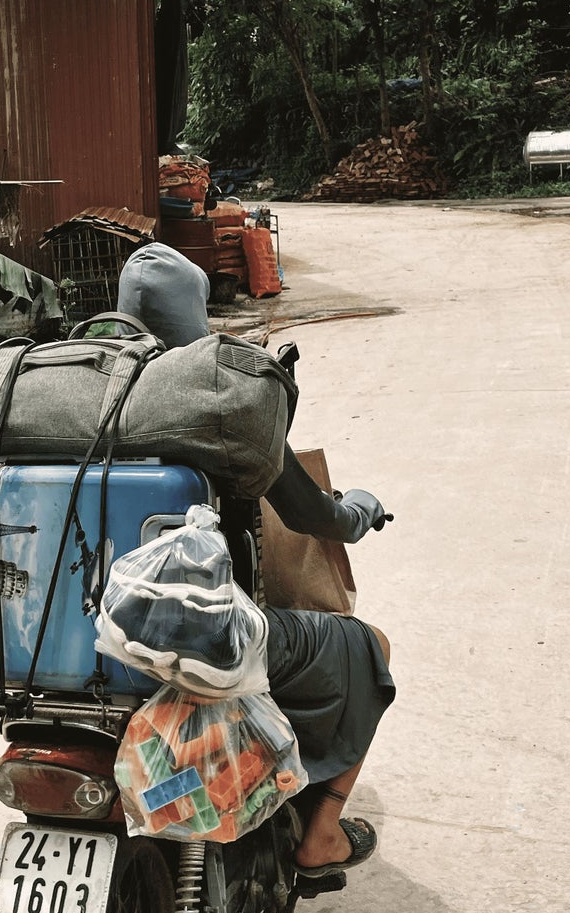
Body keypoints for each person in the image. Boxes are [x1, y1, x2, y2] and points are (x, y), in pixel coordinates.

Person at [116, 241, 395, 879]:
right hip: (205, 636)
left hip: (94, 639)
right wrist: (358, 508)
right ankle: (322, 835)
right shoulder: (218, 398)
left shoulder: (76, 392)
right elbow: (312, 517)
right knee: (368, 644)